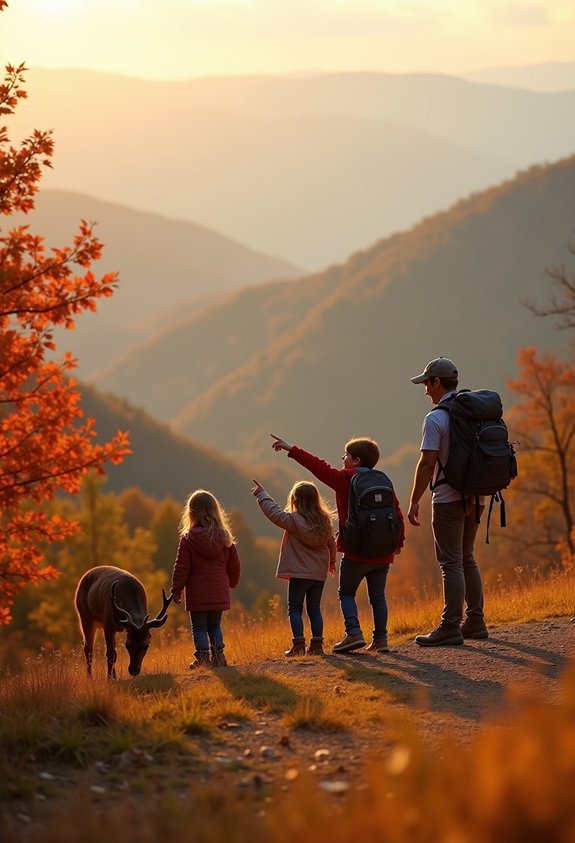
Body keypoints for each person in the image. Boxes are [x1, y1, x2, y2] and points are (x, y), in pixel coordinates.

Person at [270, 434, 405, 654]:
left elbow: (318, 466)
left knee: (347, 593)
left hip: (356, 552)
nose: (342, 459)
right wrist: (397, 543)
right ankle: (381, 640)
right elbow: (396, 514)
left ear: (356, 461)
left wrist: (291, 449)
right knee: (378, 597)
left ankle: (353, 633)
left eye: (346, 456)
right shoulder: (382, 480)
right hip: (383, 552)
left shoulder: (345, 479)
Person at [407, 357, 488, 646]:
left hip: (447, 498)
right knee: (467, 557)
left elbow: (427, 463)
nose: (425, 390)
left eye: (426, 384)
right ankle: (476, 621)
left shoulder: (435, 418)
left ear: (437, 382)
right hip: (478, 496)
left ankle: (450, 626)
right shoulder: (475, 411)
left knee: (450, 563)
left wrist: (415, 500)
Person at [251, 478, 337, 657]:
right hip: (318, 574)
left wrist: (262, 494)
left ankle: (298, 645)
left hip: (299, 573)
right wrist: (332, 562)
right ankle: (317, 644)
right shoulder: (324, 522)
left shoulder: (293, 520)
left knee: (295, 609)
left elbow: (274, 513)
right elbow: (331, 544)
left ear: (295, 500)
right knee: (314, 609)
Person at [170, 489, 241, 668]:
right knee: (215, 626)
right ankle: (219, 657)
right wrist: (231, 582)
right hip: (218, 590)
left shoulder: (188, 539)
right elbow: (235, 565)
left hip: (198, 593)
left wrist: (176, 590)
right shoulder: (225, 538)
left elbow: (181, 568)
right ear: (215, 511)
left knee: (200, 628)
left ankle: (202, 659)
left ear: (191, 513)